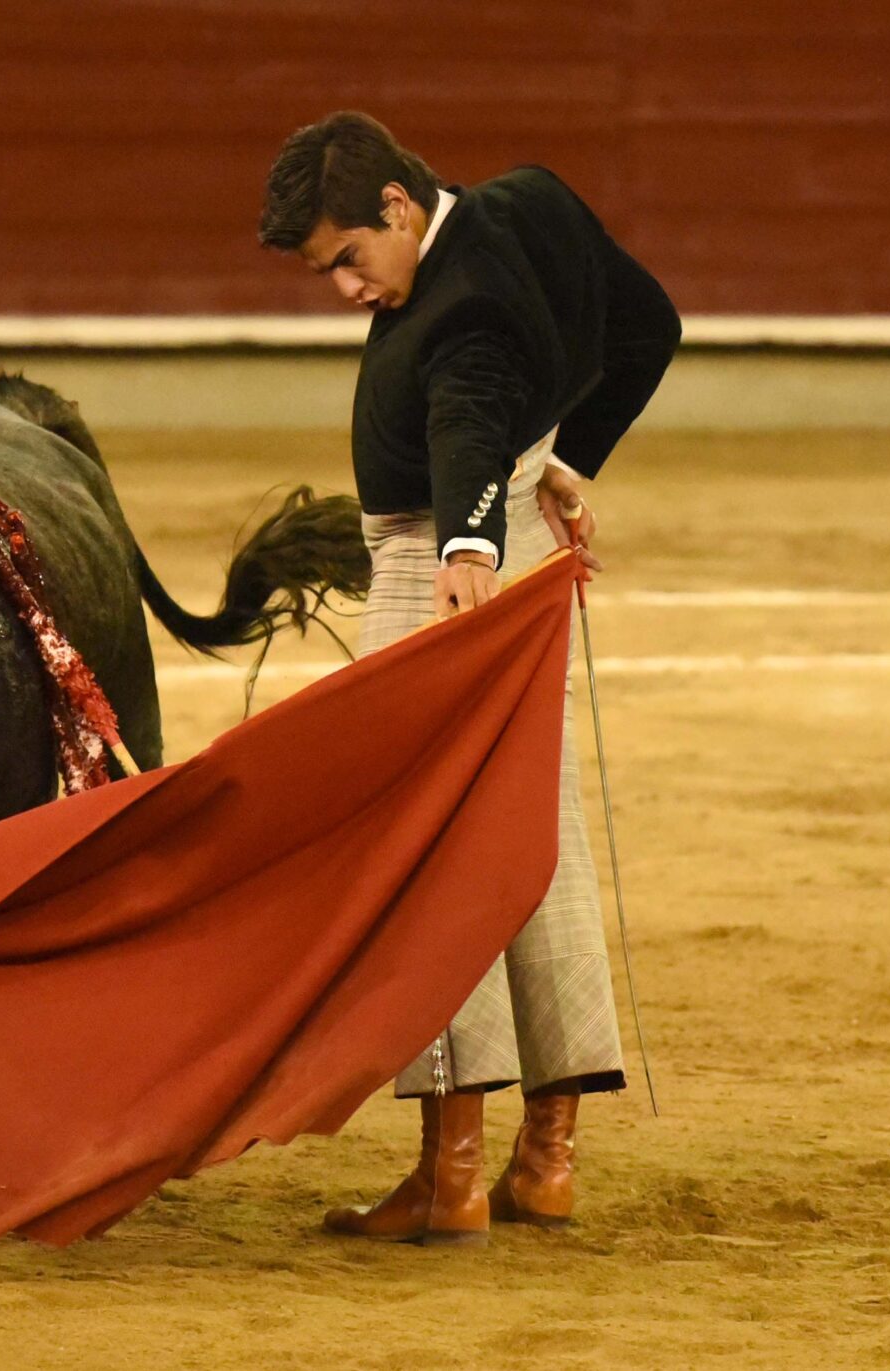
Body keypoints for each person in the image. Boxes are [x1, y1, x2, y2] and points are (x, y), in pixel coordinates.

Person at [258, 111, 681, 1244]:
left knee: (431, 862)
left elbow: (468, 417)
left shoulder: (457, 308)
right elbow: (649, 326)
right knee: (536, 845)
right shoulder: (532, 200)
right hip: (524, 568)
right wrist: (568, 462)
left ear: (398, 207)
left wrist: (467, 550)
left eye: (347, 257)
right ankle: (546, 1163)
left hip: (437, 579)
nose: (345, 286)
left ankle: (451, 1176)